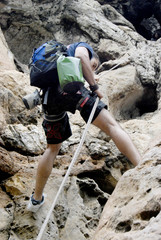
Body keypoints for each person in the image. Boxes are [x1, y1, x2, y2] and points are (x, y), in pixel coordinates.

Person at [27, 42, 141, 212]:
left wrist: (89, 78)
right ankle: (142, 166)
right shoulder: (81, 46)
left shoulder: (55, 59)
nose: (92, 69)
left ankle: (36, 200)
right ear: (93, 55)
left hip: (49, 98)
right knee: (112, 126)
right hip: (71, 90)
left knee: (52, 149)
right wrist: (94, 86)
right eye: (93, 65)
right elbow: (81, 57)